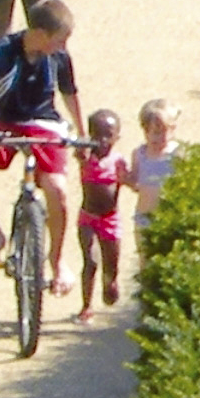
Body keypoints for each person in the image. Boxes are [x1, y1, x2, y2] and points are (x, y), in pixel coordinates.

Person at [0, 0, 82, 289]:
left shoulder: (59, 57)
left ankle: (57, 260)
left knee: (57, 189)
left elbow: (69, 93)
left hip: (43, 124)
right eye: (59, 39)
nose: (63, 46)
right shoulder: (4, 51)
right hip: (3, 123)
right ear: (39, 34)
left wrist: (81, 133)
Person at [73, 109, 127, 321]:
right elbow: (78, 153)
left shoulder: (118, 161)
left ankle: (109, 282)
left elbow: (128, 179)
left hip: (110, 219)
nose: (103, 140)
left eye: (108, 135)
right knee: (90, 261)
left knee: (111, 265)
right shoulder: (87, 157)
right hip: (88, 218)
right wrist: (81, 147)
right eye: (97, 134)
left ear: (117, 137)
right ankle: (86, 305)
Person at [128, 101, 178, 243]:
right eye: (148, 132)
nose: (154, 137)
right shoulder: (139, 154)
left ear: (172, 129)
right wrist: (125, 179)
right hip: (144, 218)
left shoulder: (176, 154)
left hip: (168, 219)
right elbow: (137, 185)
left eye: (160, 132)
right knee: (144, 254)